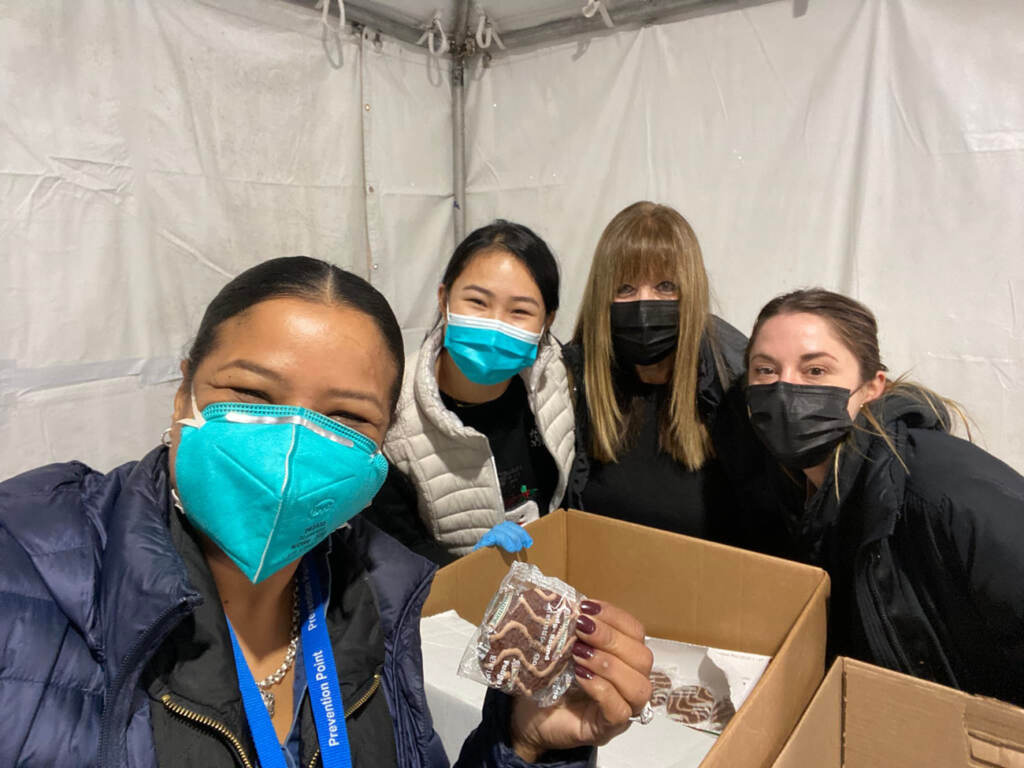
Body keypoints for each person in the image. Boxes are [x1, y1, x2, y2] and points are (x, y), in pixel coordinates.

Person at [0, 257, 654, 767]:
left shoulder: (379, 606)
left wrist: (526, 744)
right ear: (182, 395)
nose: (291, 445)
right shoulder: (23, 581)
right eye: (253, 393)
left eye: (346, 417)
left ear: (381, 447)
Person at [741, 287, 1024, 705]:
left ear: (873, 386)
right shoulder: (793, 491)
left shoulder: (941, 490)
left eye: (815, 371)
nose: (785, 391)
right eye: (765, 370)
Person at [368, 221, 574, 563]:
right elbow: (400, 552)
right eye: (478, 302)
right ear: (444, 298)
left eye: (520, 311)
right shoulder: (393, 416)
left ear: (547, 321)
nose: (496, 324)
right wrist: (471, 570)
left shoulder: (557, 383)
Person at [562, 201, 747, 538]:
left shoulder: (731, 384)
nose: (644, 304)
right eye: (625, 288)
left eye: (665, 286)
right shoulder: (575, 382)